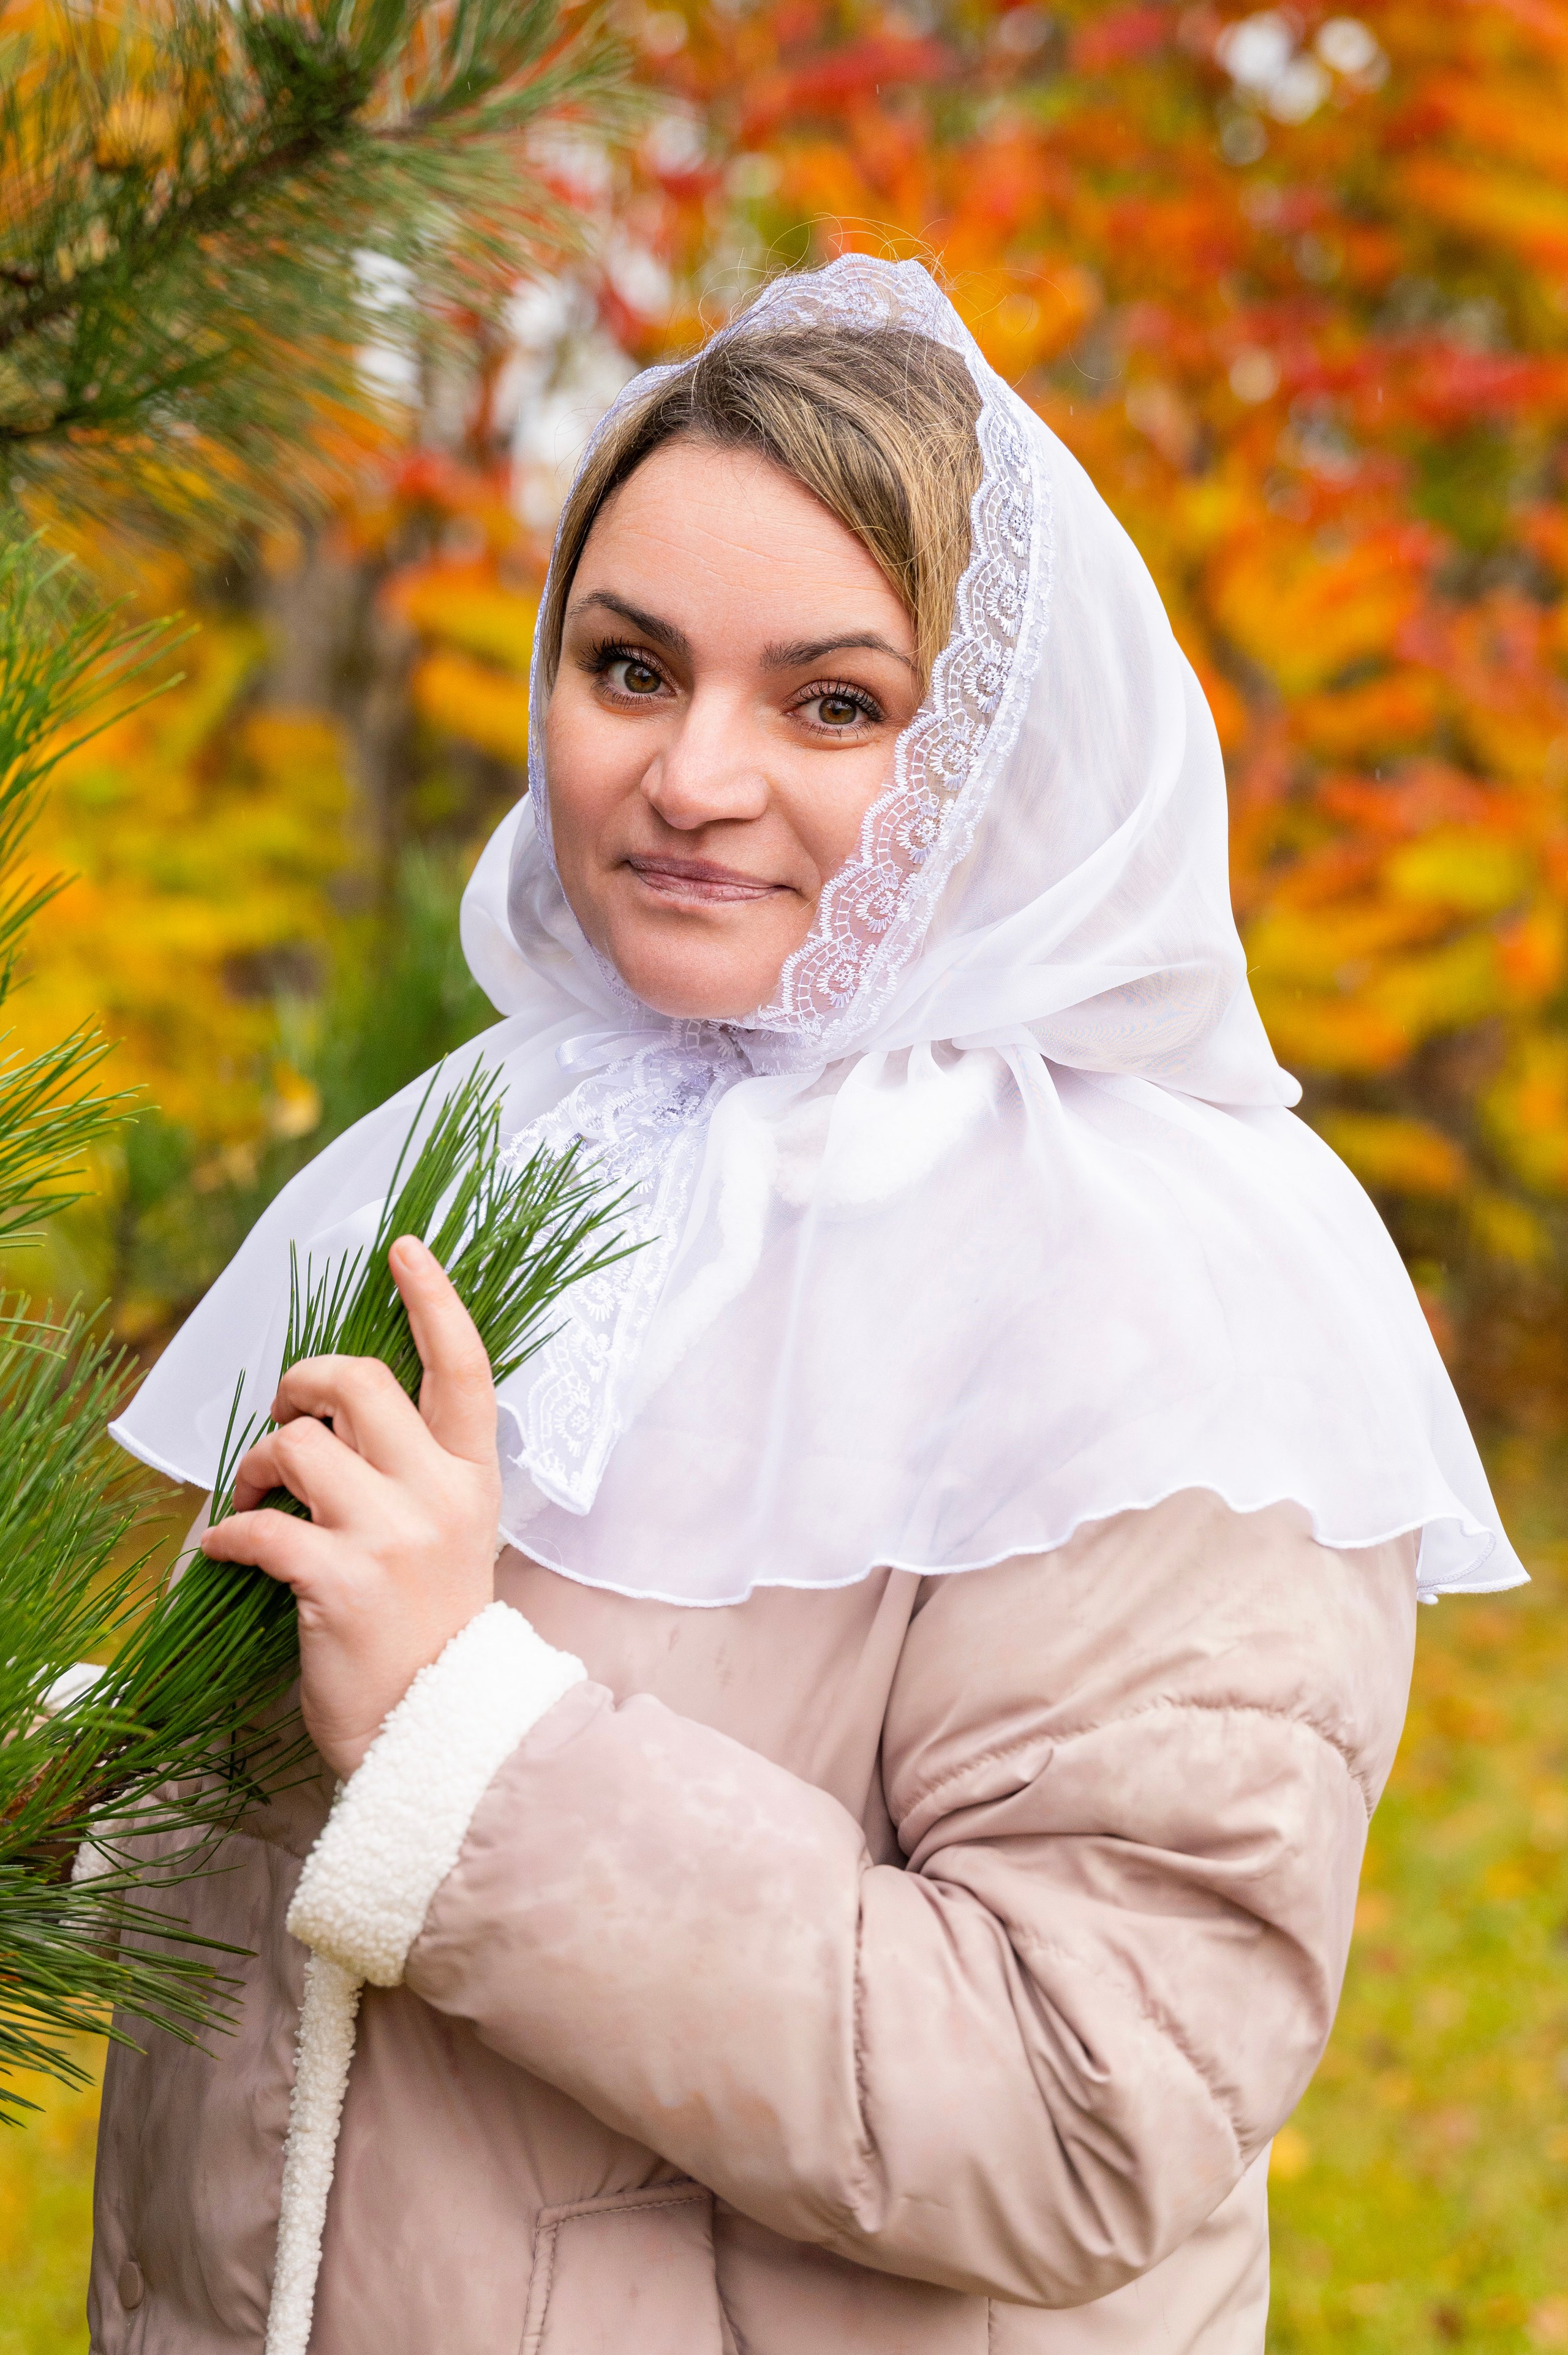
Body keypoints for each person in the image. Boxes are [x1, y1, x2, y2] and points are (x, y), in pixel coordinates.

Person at [94, 256, 1523, 2355]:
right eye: (630, 666)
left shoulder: (1159, 1268)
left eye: (833, 702)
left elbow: (1085, 2107)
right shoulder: (502, 1127)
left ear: (999, 754)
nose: (691, 776)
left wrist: (461, 1741)